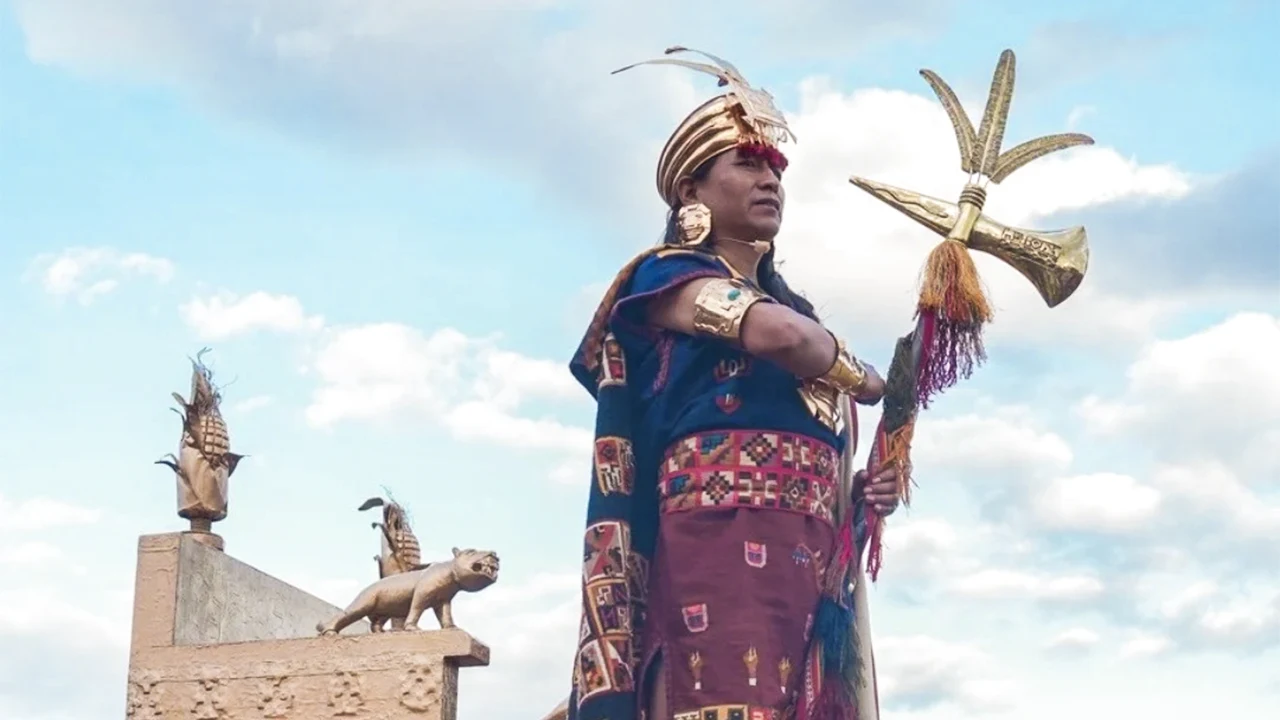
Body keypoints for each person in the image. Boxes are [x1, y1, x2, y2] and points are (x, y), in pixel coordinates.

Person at [565, 48, 900, 720]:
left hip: (806, 561)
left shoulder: (796, 308)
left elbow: (809, 428)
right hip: (715, 547)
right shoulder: (664, 281)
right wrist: (866, 379)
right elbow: (783, 340)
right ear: (691, 190)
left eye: (776, 167)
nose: (770, 177)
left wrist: (859, 496)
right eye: (748, 162)